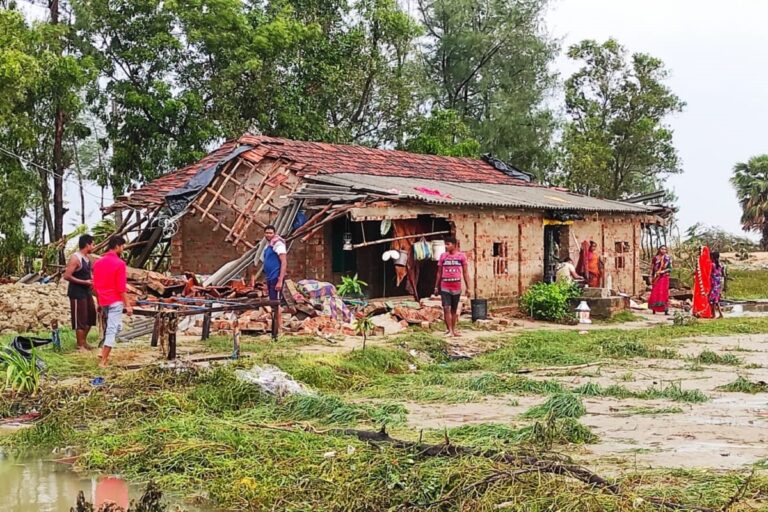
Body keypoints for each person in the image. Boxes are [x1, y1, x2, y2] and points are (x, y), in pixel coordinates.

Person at [92, 236, 132, 368]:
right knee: (112, 329)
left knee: (115, 327)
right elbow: (121, 287)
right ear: (117, 246)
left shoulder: (98, 263)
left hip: (104, 300)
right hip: (115, 300)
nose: (123, 249)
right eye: (122, 246)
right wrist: (128, 305)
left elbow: (95, 286)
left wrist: (98, 302)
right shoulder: (120, 264)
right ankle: (103, 360)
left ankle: (103, 349)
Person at [63, 234, 96, 351]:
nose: (94, 246)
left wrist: (91, 281)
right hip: (77, 293)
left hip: (87, 291)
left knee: (91, 316)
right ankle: (79, 345)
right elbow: (66, 276)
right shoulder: (75, 258)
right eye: (93, 244)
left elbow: (89, 274)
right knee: (80, 319)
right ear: (87, 244)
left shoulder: (87, 258)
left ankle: (84, 341)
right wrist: (84, 282)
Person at [434, 236, 470, 337]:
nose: (446, 246)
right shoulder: (443, 256)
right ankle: (449, 330)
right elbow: (439, 273)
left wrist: (468, 287)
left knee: (454, 309)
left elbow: (466, 273)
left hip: (456, 286)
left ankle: (453, 330)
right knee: (446, 308)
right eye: (446, 244)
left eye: (448, 244)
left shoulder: (461, 256)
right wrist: (436, 287)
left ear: (454, 245)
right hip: (445, 285)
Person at [262, 224, 287, 333]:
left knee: (276, 304)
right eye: (267, 233)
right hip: (270, 278)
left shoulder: (278, 244)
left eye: (270, 233)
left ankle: (279, 328)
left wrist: (280, 280)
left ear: (274, 233)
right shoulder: (268, 246)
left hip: (276, 277)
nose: (268, 235)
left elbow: (284, 262)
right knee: (272, 303)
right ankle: (275, 327)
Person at [648, 246, 672, 315]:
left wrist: (663, 271)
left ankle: (665, 309)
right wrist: (650, 276)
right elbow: (652, 268)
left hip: (664, 277)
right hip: (656, 277)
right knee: (655, 292)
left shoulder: (668, 258)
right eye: (662, 249)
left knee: (664, 293)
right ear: (659, 250)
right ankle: (654, 309)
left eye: (665, 249)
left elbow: (670, 269)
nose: (663, 250)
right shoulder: (655, 258)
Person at [692, 246, 713, 318]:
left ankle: (703, 312)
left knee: (703, 296)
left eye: (702, 251)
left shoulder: (707, 262)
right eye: (701, 251)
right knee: (698, 295)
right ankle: (697, 310)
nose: (701, 253)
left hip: (704, 282)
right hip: (699, 282)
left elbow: (707, 273)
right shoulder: (699, 260)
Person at [709, 251, 726, 319]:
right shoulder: (721, 265)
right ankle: (718, 314)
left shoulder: (712, 265)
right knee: (715, 300)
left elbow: (709, 273)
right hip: (719, 283)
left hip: (714, 283)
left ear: (712, 257)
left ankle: (714, 314)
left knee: (712, 299)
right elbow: (723, 274)